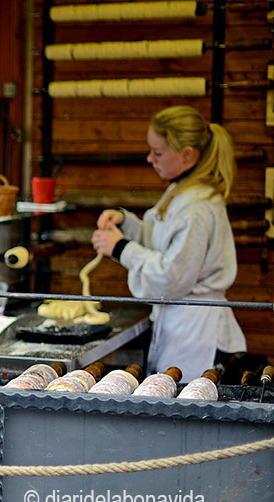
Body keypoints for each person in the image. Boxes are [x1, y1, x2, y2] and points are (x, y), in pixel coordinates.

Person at [91, 105, 246, 382]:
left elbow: (171, 275)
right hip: (182, 325)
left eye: (158, 152)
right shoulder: (182, 190)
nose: (150, 158)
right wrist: (126, 224)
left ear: (187, 154)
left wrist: (121, 248)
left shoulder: (197, 205)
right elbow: (162, 244)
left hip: (198, 333)